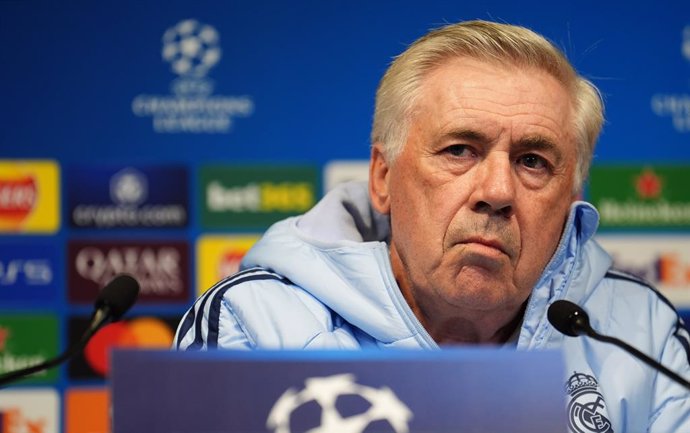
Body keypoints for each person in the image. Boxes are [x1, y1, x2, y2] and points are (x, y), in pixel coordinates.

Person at [175, 20, 690, 431]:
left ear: (570, 201)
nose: (497, 192)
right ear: (383, 178)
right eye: (460, 150)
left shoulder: (642, 335)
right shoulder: (256, 323)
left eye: (533, 161)